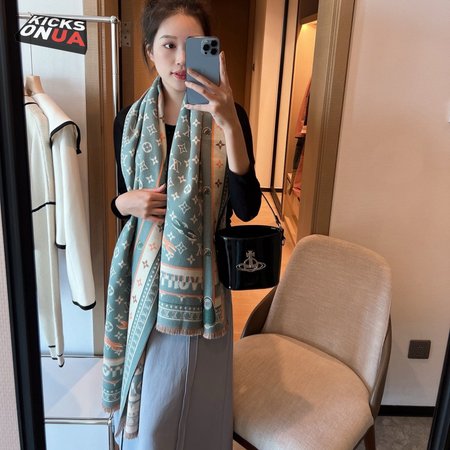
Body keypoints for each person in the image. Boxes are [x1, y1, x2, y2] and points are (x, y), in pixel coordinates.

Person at [102, 1, 261, 449]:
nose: (180, 59)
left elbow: (248, 208)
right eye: (168, 45)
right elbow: (126, 206)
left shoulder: (231, 115)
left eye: (192, 47)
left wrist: (229, 123)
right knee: (155, 408)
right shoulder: (128, 123)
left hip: (206, 282)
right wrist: (121, 202)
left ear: (210, 51)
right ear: (149, 53)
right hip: (144, 282)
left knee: (202, 401)